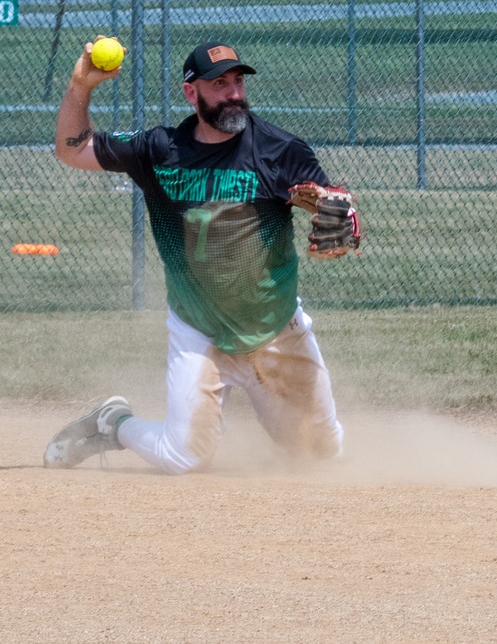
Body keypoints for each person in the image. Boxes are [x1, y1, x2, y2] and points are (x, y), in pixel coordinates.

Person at [43, 38, 360, 474]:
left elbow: (329, 199)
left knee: (321, 457)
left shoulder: (278, 150)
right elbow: (72, 149)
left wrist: (338, 210)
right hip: (200, 330)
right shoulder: (160, 150)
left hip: (274, 329)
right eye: (219, 84)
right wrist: (81, 87)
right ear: (191, 93)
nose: (233, 93)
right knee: (185, 457)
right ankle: (113, 423)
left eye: (237, 81)